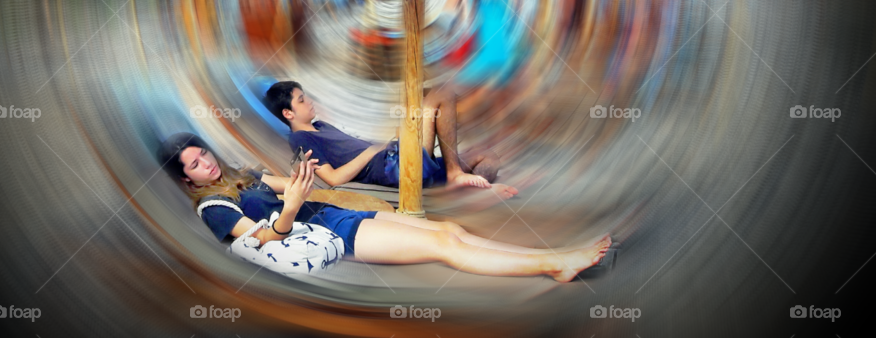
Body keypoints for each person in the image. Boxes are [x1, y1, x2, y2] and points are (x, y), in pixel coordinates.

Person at [158, 132, 612, 280]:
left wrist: (305, 175)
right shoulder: (214, 206)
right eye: (194, 165)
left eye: (204, 154)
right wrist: (291, 207)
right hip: (334, 235)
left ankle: (550, 261)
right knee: (444, 248)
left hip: (336, 215)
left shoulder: (241, 177)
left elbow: (289, 183)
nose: (206, 165)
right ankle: (557, 262)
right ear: (186, 178)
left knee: (450, 229)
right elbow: (257, 239)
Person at [264, 80, 517, 196]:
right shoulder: (300, 140)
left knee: (489, 157)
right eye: (301, 100)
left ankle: (462, 188)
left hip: (394, 155)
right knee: (443, 93)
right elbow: (332, 179)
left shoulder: (320, 125)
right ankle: (454, 173)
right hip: (392, 167)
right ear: (288, 113)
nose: (309, 101)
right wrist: (374, 149)